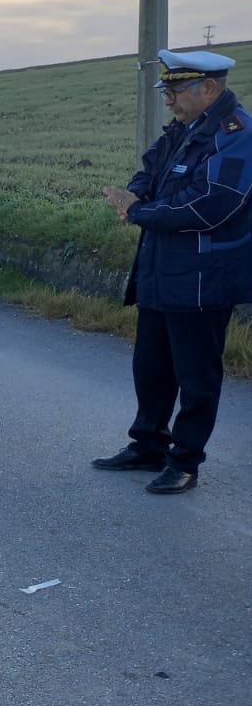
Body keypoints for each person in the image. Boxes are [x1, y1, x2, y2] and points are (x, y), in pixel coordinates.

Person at [95, 48, 252, 494]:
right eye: (166, 90)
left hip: (204, 278)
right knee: (151, 367)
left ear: (209, 88)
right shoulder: (184, 129)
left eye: (176, 90)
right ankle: (148, 444)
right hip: (162, 271)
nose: (168, 100)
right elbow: (149, 169)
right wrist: (135, 195)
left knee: (196, 376)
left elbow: (210, 206)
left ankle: (184, 460)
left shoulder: (236, 135)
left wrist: (140, 212)